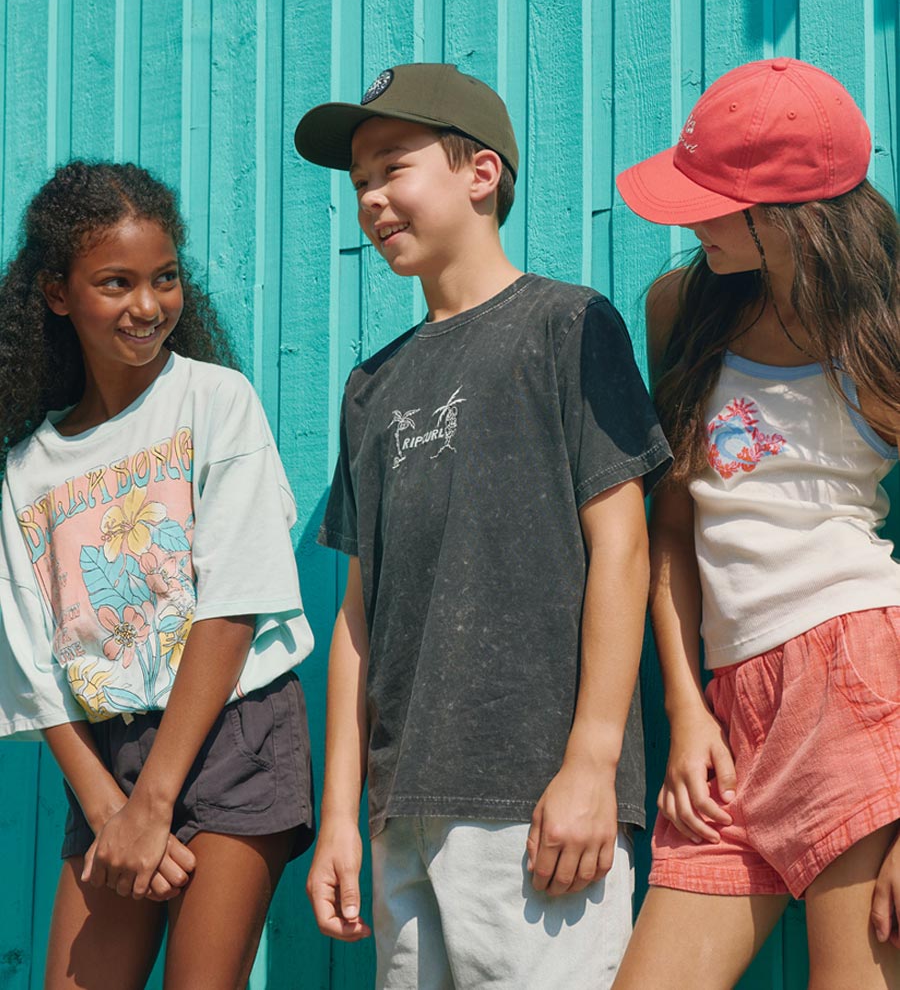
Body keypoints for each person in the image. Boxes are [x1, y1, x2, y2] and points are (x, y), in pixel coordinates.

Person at [294, 62, 671, 988]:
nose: (371, 198)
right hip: (403, 807)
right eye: (359, 182)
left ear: (482, 173)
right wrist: (341, 812)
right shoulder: (370, 386)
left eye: (393, 167)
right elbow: (357, 618)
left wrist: (592, 762)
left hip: (536, 801)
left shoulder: (567, 326)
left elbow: (623, 547)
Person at [612, 57, 900, 989]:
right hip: (730, 705)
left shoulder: (883, 331)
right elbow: (672, 522)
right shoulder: (682, 308)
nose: (689, 221)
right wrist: (685, 705)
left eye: (711, 202)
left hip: (855, 673)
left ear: (786, 215)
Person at [0, 161, 315, 990]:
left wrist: (154, 801)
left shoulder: (216, 402)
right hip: (108, 759)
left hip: (233, 727)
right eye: (117, 282)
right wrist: (113, 808)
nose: (147, 305)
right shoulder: (28, 470)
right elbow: (33, 664)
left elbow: (235, 602)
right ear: (57, 294)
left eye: (165, 278)